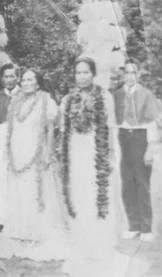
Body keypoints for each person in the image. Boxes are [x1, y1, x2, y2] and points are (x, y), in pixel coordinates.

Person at [59, 57, 129, 277]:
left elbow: (110, 126)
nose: (81, 77)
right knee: (79, 196)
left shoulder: (104, 96)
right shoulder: (68, 99)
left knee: (97, 196)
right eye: (78, 73)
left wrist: (110, 154)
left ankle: (100, 248)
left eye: (86, 72)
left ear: (93, 74)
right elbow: (64, 131)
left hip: (96, 153)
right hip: (75, 153)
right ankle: (83, 246)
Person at [3, 69, 71, 261]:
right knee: (19, 190)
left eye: (30, 79)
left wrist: (48, 153)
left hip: (36, 152)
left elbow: (50, 130)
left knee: (35, 191)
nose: (25, 83)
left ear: (38, 83)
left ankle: (35, 233)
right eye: (23, 79)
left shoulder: (46, 101)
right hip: (17, 152)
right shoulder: (16, 101)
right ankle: (19, 232)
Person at [113, 61, 160, 242]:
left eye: (133, 72)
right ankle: (133, 225)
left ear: (138, 74)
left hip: (141, 137)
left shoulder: (146, 94)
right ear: (122, 75)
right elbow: (114, 123)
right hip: (123, 137)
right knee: (127, 184)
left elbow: (152, 124)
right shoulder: (117, 95)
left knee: (142, 183)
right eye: (127, 72)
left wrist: (150, 150)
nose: (130, 76)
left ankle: (146, 227)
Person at [0, 63, 18, 227]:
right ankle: (1, 218)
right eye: (6, 77)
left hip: (20, 138)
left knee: (17, 177)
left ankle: (17, 218)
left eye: (12, 76)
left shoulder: (24, 95)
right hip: (0, 137)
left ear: (17, 77)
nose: (9, 80)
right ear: (1, 79)